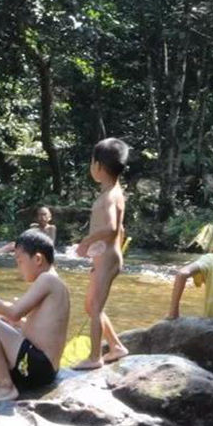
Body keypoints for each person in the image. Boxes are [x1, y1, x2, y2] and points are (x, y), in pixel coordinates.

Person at [0, 230, 71, 405]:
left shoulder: (47, 280)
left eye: (20, 261)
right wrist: (17, 324)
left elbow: (14, 312)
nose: (18, 268)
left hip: (37, 366)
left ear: (38, 259)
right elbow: (39, 330)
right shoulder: (54, 282)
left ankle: (5, 386)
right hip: (41, 368)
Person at [73, 138, 130, 370]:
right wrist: (96, 256)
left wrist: (86, 242)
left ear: (97, 166)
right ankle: (116, 346)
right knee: (91, 306)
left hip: (108, 259)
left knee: (95, 308)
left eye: (91, 162)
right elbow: (120, 231)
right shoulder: (114, 192)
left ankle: (95, 357)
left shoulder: (108, 197)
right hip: (106, 258)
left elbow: (112, 228)